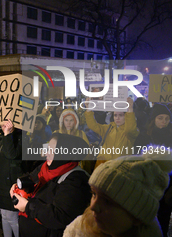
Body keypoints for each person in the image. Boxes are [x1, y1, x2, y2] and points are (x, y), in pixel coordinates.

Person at [63, 152, 172, 237]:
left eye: (107, 201)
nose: (93, 206)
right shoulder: (79, 230)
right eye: (94, 194)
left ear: (137, 216)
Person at [10, 133, 91, 237]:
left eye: (53, 150)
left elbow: (60, 217)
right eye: (47, 148)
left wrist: (27, 207)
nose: (46, 153)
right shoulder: (46, 167)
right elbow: (31, 178)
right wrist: (17, 186)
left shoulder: (75, 181)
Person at [134, 103, 172, 236]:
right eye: (160, 118)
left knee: (163, 219)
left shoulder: (170, 137)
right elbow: (136, 160)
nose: (164, 122)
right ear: (153, 119)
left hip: (167, 186)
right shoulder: (144, 138)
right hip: (147, 184)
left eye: (167, 119)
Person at [0, 119, 26, 237]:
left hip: (10, 183)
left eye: (7, 121)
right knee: (4, 216)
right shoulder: (3, 136)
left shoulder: (20, 137)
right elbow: (3, 156)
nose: (4, 123)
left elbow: (11, 155)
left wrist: (8, 134)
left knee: (12, 217)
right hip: (1, 182)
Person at [84, 97, 139, 169]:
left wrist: (130, 110)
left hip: (119, 167)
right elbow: (92, 125)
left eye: (121, 115)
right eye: (115, 115)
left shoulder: (131, 131)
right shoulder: (109, 127)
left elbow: (129, 130)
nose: (117, 118)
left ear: (126, 116)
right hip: (102, 165)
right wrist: (88, 109)